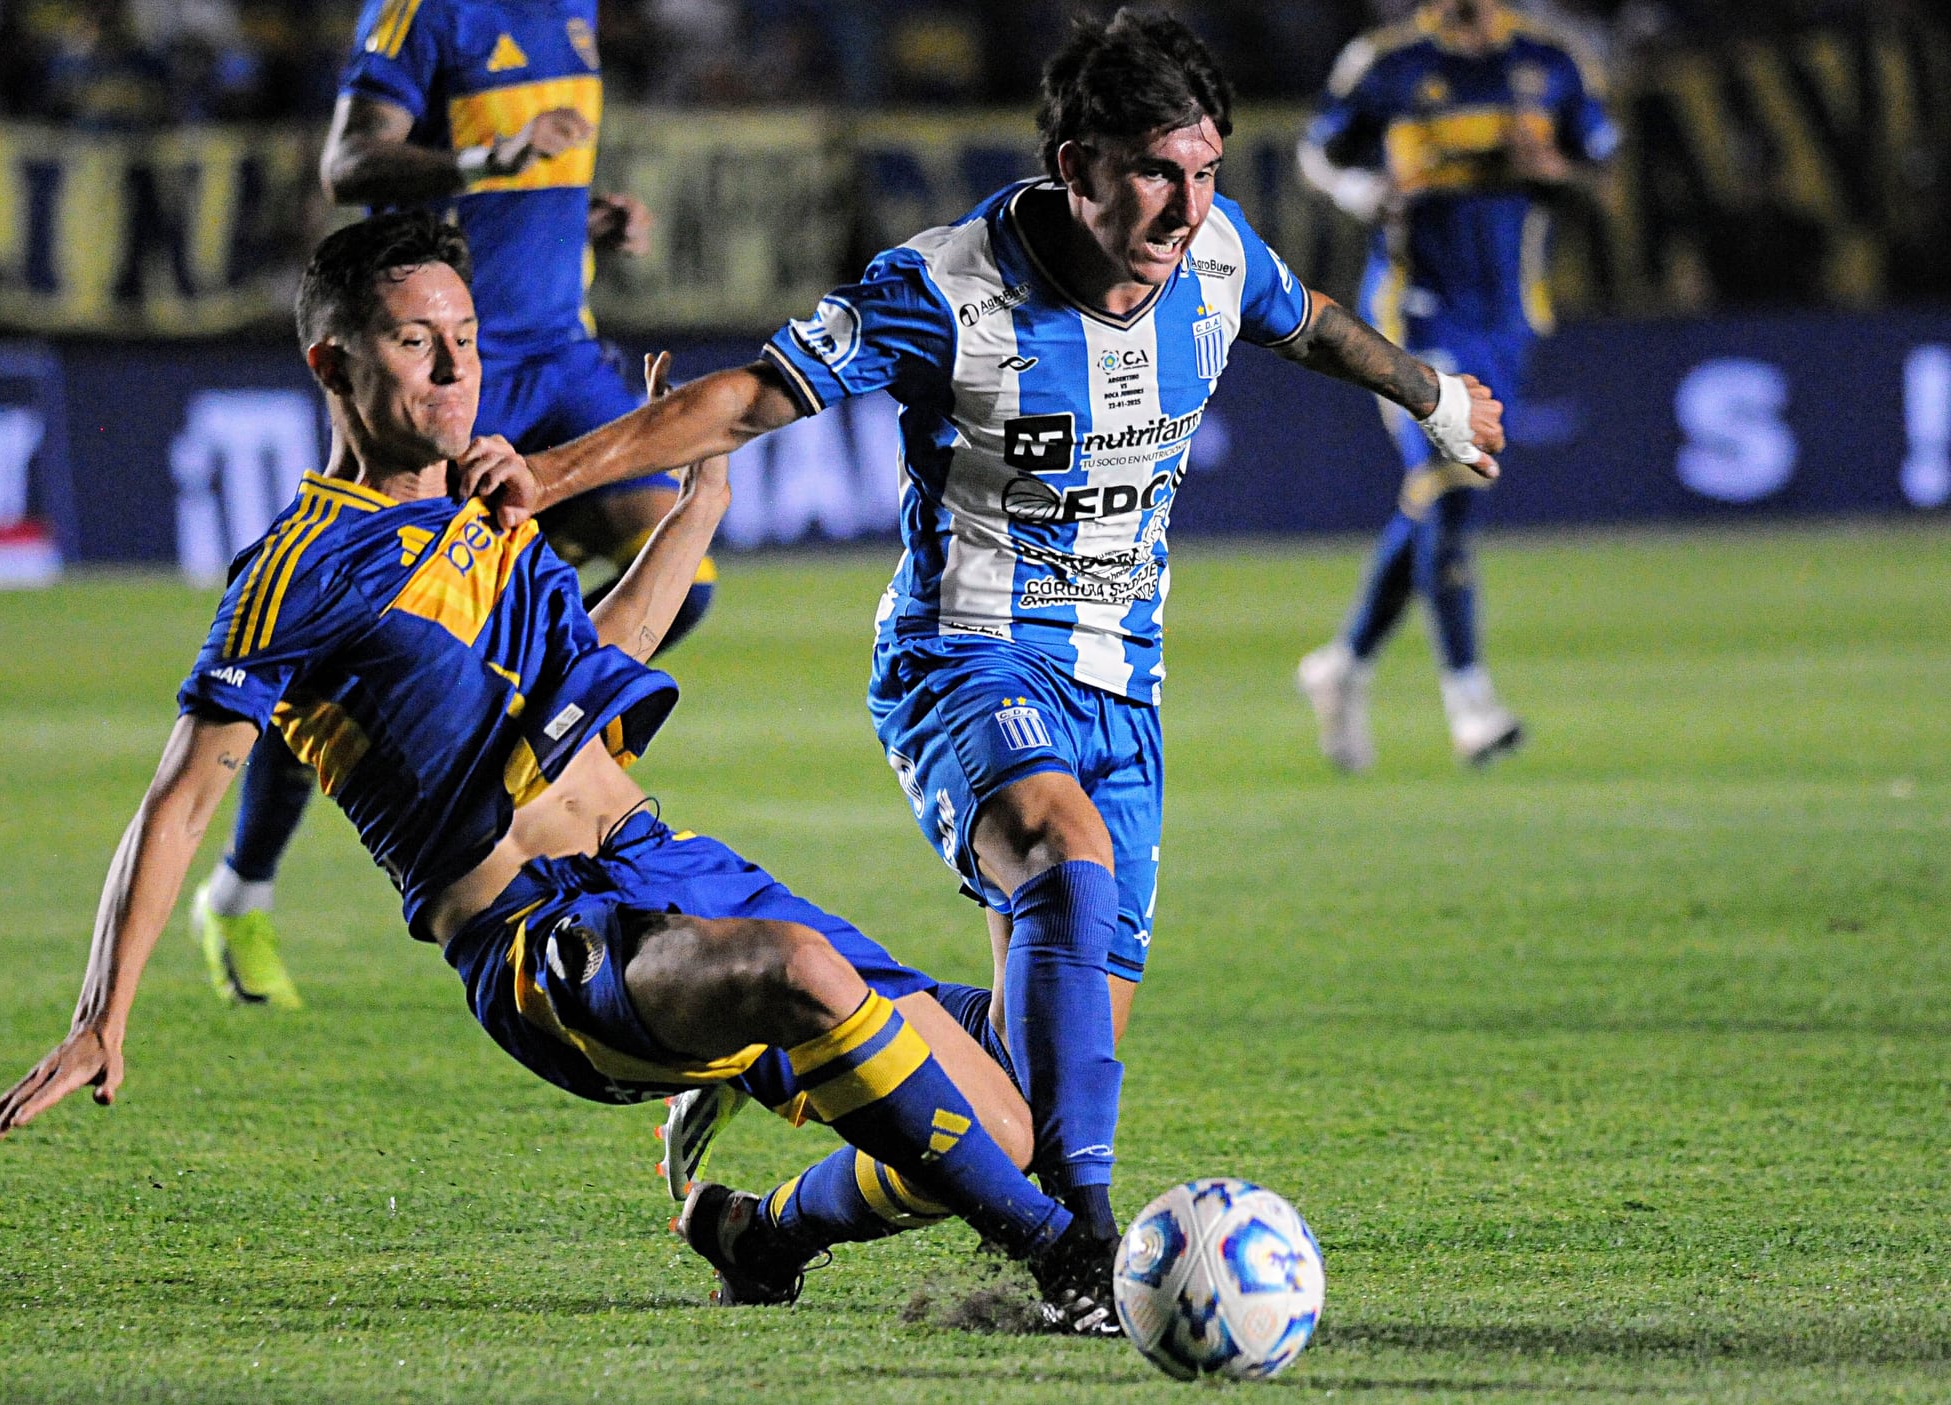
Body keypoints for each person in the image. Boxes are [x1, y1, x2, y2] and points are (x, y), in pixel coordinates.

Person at [456, 9, 1505, 1255]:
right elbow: (742, 399)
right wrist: (553, 468)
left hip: (1120, 688)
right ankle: (1092, 1247)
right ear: (1076, 169)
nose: (1184, 207)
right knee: (1062, 861)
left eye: (1205, 171)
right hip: (965, 661)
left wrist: (1430, 393)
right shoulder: (943, 289)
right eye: (1155, 175)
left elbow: (1312, 317)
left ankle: (764, 1226)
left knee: (1018, 1088)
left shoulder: (1216, 257)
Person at [0, 211, 1120, 1335]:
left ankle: (755, 1232)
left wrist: (701, 501)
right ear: (333, 362)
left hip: (670, 869)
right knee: (803, 971)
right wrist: (99, 1016)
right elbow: (181, 801)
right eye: (415, 341)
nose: (456, 367)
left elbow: (600, 666)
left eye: (466, 337)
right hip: (544, 948)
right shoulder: (297, 566)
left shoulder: (499, 511)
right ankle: (1068, 1260)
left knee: (1005, 1117)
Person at [191, 0, 715, 1010]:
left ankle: (528, 748)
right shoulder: (423, 13)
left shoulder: (573, 10)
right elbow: (350, 164)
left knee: (679, 572)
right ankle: (240, 887)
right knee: (339, 642)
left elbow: (527, 176)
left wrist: (575, 208)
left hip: (560, 351)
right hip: (452, 362)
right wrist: (492, 160)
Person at [1293, 0, 1617, 770]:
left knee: (1441, 496)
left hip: (1507, 311)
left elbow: (1601, 168)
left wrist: (1554, 172)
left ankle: (1343, 665)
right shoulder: (1384, 61)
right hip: (1413, 306)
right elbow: (1317, 153)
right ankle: (1469, 699)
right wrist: (1361, 194)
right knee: (1449, 473)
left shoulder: (1552, 60)